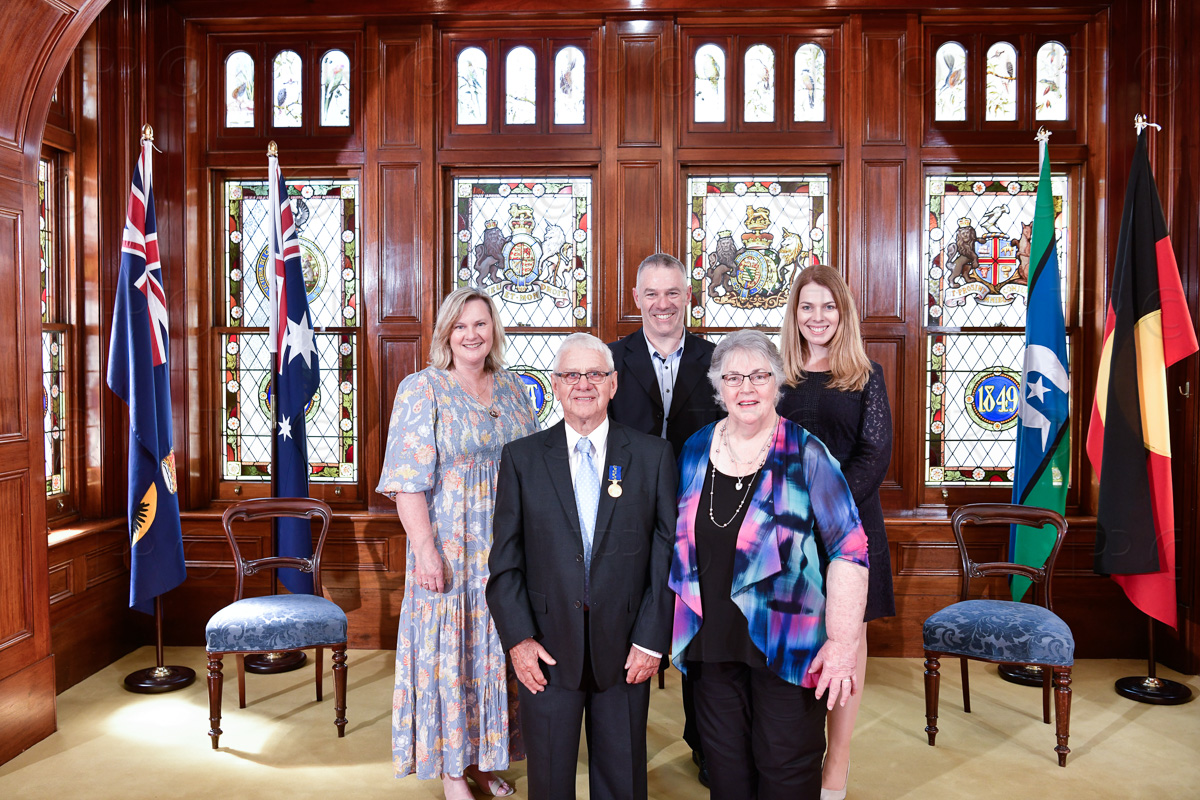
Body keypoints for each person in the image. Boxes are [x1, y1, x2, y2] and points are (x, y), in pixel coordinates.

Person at [669, 329, 870, 800]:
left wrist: (843, 643)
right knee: (725, 772)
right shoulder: (695, 449)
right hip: (711, 643)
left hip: (788, 644)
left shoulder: (806, 451)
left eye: (759, 376)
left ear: (777, 383)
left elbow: (850, 548)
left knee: (786, 770)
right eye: (733, 378)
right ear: (718, 387)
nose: (747, 388)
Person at [487, 333, 677, 800]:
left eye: (595, 374)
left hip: (627, 648)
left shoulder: (652, 456)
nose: (584, 384)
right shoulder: (521, 458)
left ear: (613, 384)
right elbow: (505, 562)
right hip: (546, 649)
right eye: (572, 374)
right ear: (555, 385)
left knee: (623, 781)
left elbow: (666, 555)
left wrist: (652, 639)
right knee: (550, 782)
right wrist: (519, 641)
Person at [377, 287, 537, 800]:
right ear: (446, 333)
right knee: (452, 657)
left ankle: (485, 759)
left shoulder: (512, 388)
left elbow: (535, 465)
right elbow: (406, 482)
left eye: (480, 324)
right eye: (460, 325)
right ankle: (452, 771)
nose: (471, 334)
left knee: (494, 652)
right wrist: (426, 552)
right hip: (449, 552)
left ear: (494, 331)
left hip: (506, 550)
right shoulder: (422, 389)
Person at [778, 265, 895, 800]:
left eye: (828, 306)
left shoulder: (866, 374)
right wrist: (795, 510)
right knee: (797, 633)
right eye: (807, 306)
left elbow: (874, 455)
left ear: (843, 313)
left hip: (851, 529)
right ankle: (796, 749)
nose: (817, 317)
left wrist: (826, 510)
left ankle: (837, 760)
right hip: (786, 525)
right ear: (795, 314)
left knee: (848, 639)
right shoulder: (776, 373)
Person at [607, 252, 723, 785]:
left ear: (687, 296)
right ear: (636, 298)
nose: (662, 304)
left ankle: (707, 745)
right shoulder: (610, 359)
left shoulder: (718, 360)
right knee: (626, 631)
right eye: (651, 293)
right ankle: (622, 751)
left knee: (701, 638)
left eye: (672, 292)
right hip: (627, 521)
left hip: (704, 520)